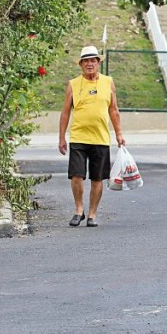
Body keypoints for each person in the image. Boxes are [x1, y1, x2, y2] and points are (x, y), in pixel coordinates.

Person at [59, 45, 126, 227]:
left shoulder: (108, 82)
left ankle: (92, 214)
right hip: (78, 138)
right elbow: (65, 112)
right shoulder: (73, 84)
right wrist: (61, 137)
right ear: (81, 64)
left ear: (98, 63)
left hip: (101, 138)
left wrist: (119, 133)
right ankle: (79, 209)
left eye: (93, 60)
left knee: (97, 178)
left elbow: (114, 109)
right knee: (76, 175)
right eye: (86, 61)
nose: (90, 64)